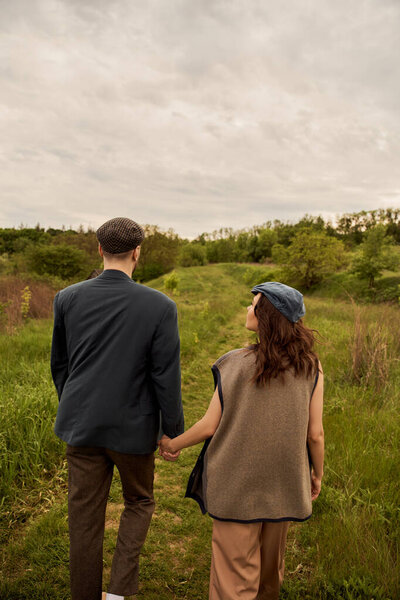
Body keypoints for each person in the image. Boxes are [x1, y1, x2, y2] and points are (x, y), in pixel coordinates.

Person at [159, 281, 324, 600]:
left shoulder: (233, 364)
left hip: (236, 484)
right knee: (269, 576)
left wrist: (172, 444)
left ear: (266, 317)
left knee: (234, 580)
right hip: (284, 484)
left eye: (254, 304)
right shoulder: (311, 367)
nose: (247, 309)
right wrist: (316, 474)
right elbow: (315, 434)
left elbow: (209, 426)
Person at [51, 217, 184, 600]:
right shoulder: (161, 306)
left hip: (82, 426)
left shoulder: (67, 297)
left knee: (83, 519)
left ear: (100, 250)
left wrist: (76, 406)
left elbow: (59, 364)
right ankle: (119, 593)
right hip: (134, 431)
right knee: (139, 501)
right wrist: (171, 430)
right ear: (137, 253)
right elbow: (164, 375)